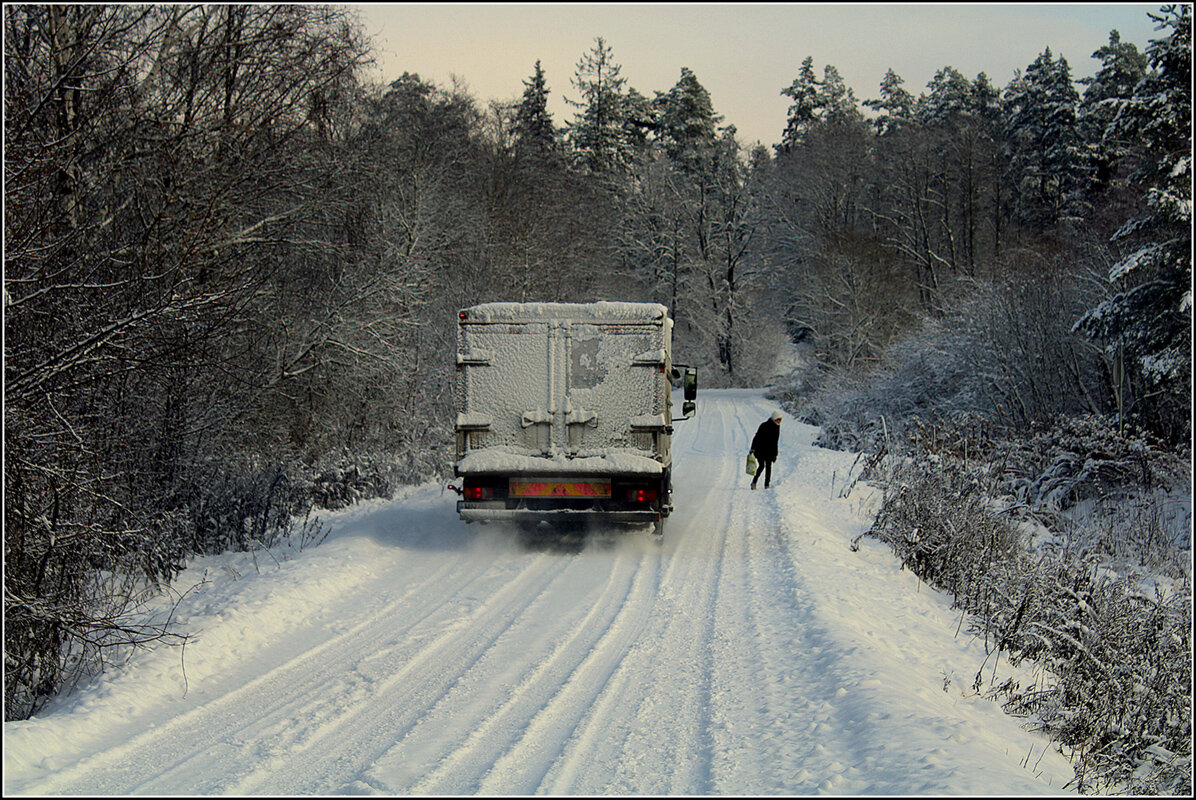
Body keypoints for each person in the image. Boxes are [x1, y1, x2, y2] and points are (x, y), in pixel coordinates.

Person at [750, 410, 782, 489]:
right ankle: (754, 482)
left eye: (780, 419)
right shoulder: (764, 425)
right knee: (761, 466)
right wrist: (753, 448)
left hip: (770, 451)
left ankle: (766, 485)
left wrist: (775, 454)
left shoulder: (777, 426)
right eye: (778, 419)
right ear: (774, 418)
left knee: (768, 467)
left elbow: (775, 442)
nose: (779, 421)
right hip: (760, 450)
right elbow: (756, 437)